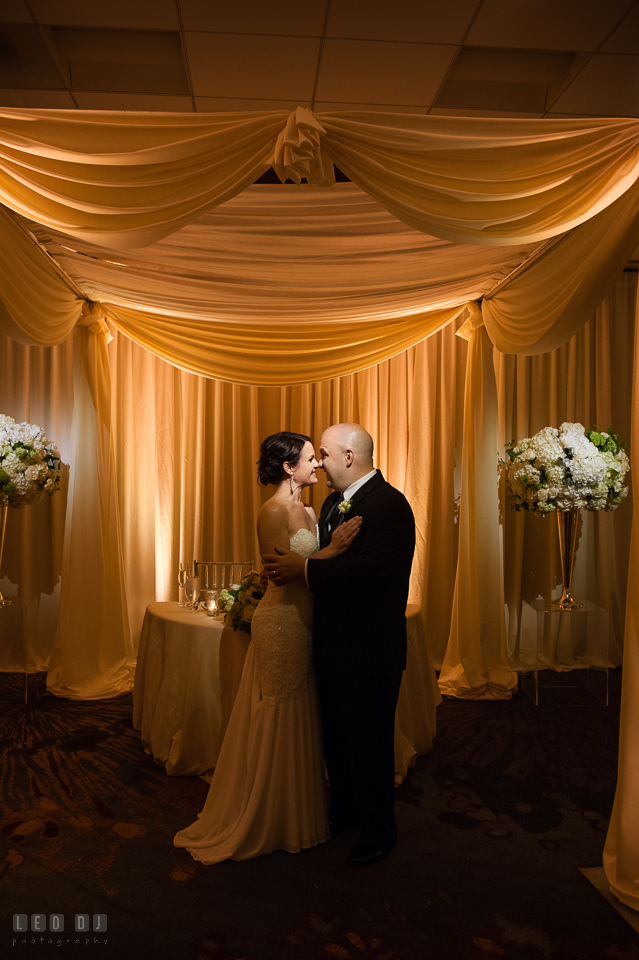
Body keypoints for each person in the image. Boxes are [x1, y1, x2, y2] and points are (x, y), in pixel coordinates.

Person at [174, 431, 360, 863]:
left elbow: (304, 566)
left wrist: (327, 553)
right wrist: (335, 550)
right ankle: (267, 813)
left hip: (307, 621)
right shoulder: (272, 510)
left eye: (318, 458)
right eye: (311, 459)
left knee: (300, 710)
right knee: (279, 707)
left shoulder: (310, 509)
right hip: (281, 622)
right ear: (288, 467)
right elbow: (281, 573)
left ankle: (296, 812)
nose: (318, 465)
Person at [262, 423, 415, 868]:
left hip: (369, 651)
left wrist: (304, 571)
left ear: (348, 456)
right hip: (327, 646)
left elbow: (374, 574)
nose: (320, 463)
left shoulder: (389, 505)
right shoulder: (330, 503)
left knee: (369, 748)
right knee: (338, 745)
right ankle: (345, 815)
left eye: (324, 454)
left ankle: (379, 833)